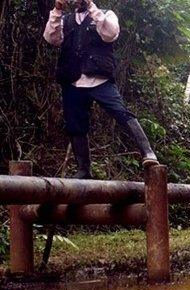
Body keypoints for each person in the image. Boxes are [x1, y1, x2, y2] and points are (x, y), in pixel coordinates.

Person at [43, 0, 158, 179]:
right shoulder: (66, 19)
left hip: (100, 79)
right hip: (73, 80)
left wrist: (91, 7)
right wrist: (57, 9)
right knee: (75, 125)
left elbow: (110, 34)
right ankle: (83, 170)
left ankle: (148, 152)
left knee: (120, 112)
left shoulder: (106, 14)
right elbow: (51, 38)